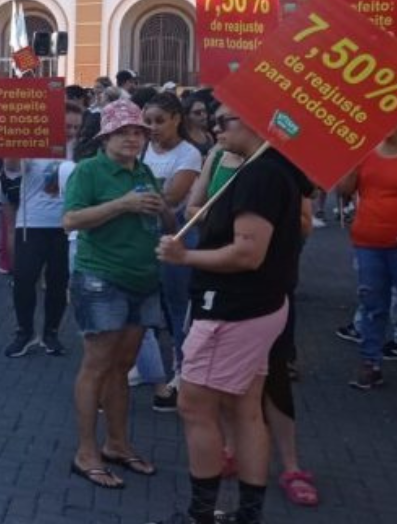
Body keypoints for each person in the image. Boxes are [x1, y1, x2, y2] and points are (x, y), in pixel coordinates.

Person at [150, 106, 307, 524]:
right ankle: (247, 515)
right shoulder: (268, 168)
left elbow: (247, 253)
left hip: (233, 309)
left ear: (259, 122)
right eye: (215, 120)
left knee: (195, 406)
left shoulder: (260, 175)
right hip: (259, 305)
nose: (215, 127)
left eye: (227, 120)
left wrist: (185, 256)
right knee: (245, 408)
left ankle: (201, 515)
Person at [62, 99, 173, 489]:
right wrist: (122, 204)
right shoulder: (89, 171)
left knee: (122, 367)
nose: (133, 137)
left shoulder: (143, 171)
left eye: (139, 131)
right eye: (124, 131)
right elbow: (71, 220)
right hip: (101, 278)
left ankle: (118, 444)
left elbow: (165, 221)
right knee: (97, 364)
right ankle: (85, 451)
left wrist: (164, 211)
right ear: (106, 137)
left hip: (142, 280)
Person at [2, 102, 83, 358]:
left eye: (76, 127)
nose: (71, 131)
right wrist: (16, 141)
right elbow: (13, 168)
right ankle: (25, 332)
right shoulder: (34, 144)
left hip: (66, 225)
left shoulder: (81, 151)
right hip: (32, 223)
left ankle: (51, 333)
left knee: (58, 283)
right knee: (24, 279)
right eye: (66, 125)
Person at [141, 90, 205, 411]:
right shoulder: (142, 148)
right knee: (145, 308)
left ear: (176, 119)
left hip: (176, 237)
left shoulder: (189, 154)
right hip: (142, 237)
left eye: (159, 121)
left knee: (178, 310)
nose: (152, 127)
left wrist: (131, 197)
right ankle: (149, 369)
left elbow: (171, 196)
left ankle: (183, 373)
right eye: (148, 121)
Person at [337, 117, 397, 391]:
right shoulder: (367, 151)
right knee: (371, 305)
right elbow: (345, 191)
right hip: (368, 242)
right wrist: (351, 164)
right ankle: (370, 364)